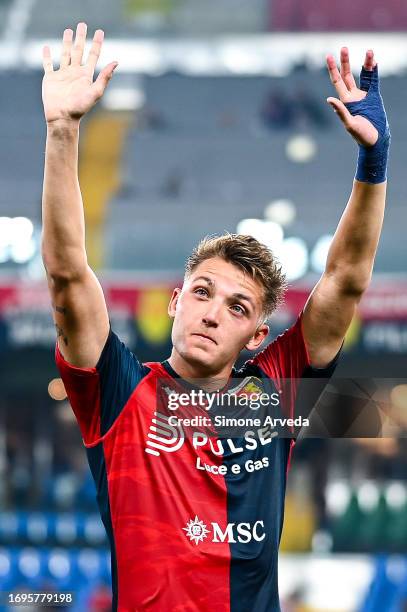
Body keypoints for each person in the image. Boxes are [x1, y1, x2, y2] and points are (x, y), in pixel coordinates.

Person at [41, 23, 390, 612]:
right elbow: (69, 274)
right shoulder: (119, 392)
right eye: (201, 292)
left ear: (257, 336)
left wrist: (374, 162)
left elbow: (345, 280)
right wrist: (61, 131)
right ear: (175, 302)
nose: (211, 314)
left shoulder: (277, 393)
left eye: (237, 307)